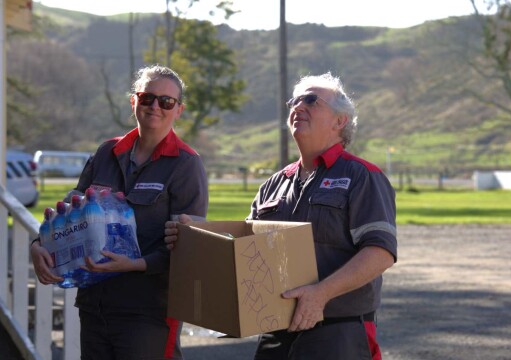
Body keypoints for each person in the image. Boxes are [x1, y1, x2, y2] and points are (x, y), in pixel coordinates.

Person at [165, 72, 397, 360]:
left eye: (311, 100)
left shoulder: (362, 176)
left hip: (337, 333)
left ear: (340, 121)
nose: (298, 107)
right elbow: (244, 246)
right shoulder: (275, 183)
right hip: (276, 333)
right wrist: (200, 230)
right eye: (294, 101)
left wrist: (320, 294)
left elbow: (380, 252)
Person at [31, 64, 208, 360]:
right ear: (133, 101)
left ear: (179, 110)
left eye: (166, 102)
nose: (155, 106)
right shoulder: (106, 153)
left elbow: (188, 248)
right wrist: (37, 246)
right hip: (93, 304)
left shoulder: (186, 164)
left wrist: (135, 264)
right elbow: (68, 211)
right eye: (147, 97)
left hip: (148, 311)